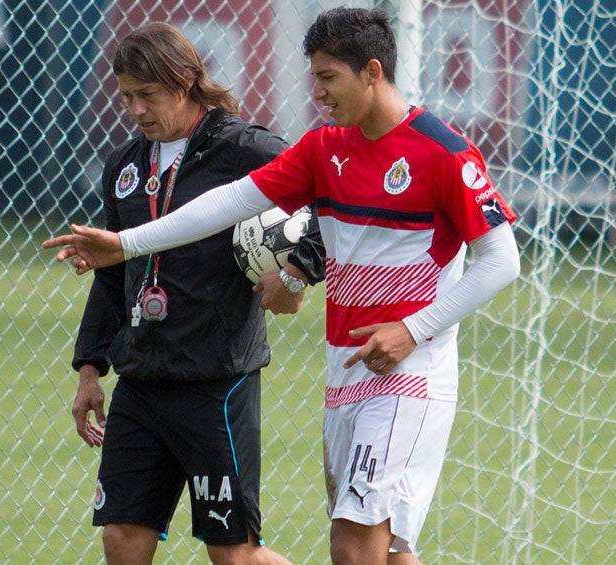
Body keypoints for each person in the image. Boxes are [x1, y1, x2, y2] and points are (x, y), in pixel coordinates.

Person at [45, 7, 522, 565]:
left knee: (352, 545)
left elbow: (501, 261)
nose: (317, 92)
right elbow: (228, 203)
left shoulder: (442, 151)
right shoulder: (324, 149)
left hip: (409, 376)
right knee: (389, 551)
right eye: (313, 77)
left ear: (372, 71)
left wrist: (413, 331)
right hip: (348, 369)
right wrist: (126, 245)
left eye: (328, 78)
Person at [64, 22, 325, 565]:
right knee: (121, 536)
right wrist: (89, 368)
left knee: (233, 554)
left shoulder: (245, 149)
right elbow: (113, 275)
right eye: (126, 96)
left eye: (147, 95)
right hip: (141, 380)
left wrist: (300, 269)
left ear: (184, 83)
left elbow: (329, 196)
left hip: (217, 380)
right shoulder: (125, 169)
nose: (135, 110)